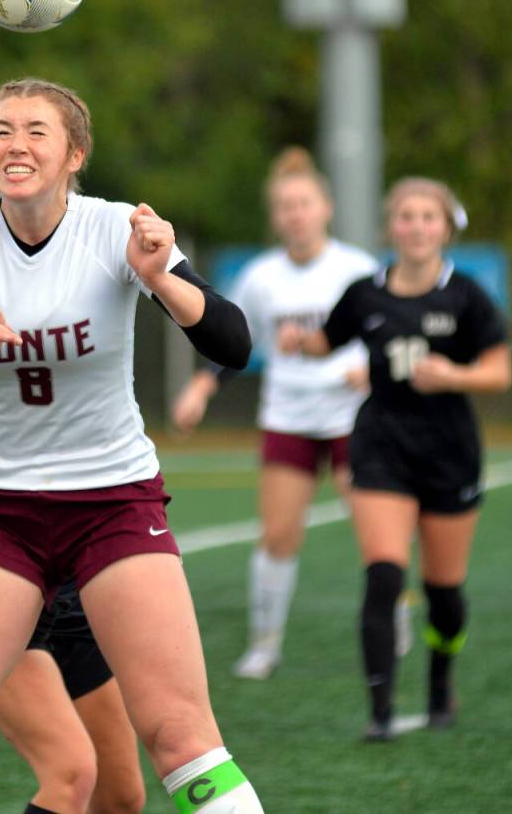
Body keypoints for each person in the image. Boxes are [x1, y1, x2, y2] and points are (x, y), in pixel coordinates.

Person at [0, 78, 263, 814]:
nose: (15, 144)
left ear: (74, 154)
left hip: (113, 506)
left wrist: (163, 278)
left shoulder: (114, 226)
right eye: (0, 129)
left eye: (35, 130)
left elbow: (234, 341)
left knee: (180, 735)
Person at [278, 177, 511, 740]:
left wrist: (454, 375)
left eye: (427, 217)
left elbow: (500, 372)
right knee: (383, 575)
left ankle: (439, 683)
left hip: (450, 451)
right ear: (391, 227)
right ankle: (380, 712)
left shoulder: (467, 294)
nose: (416, 226)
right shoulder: (366, 292)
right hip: (381, 445)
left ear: (445, 227)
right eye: (406, 216)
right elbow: (326, 341)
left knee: (444, 592)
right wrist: (296, 339)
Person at [171, 147, 378, 679]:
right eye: (286, 206)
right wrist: (199, 389)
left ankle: (391, 618)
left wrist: (371, 371)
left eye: (304, 203)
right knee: (278, 535)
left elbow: (391, 335)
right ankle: (265, 643)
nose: (296, 214)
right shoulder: (261, 277)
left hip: (356, 419)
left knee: (378, 532)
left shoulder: (357, 270)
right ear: (276, 215)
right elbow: (231, 345)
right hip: (289, 418)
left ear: (325, 207)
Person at [0, 437, 145, 814]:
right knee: (71, 775)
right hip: (14, 632)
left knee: (122, 798)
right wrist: (6, 611)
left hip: (77, 622)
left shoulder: (98, 440)